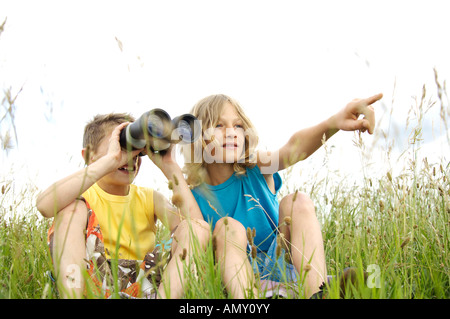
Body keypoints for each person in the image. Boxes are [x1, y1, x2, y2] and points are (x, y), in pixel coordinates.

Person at [182, 93, 383, 298]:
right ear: (197, 137)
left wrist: (333, 123)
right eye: (218, 125)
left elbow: (292, 149)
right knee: (227, 227)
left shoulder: (255, 167)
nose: (231, 132)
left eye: (238, 126)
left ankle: (318, 293)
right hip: (233, 278)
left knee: (298, 201)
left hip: (281, 264)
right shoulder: (193, 196)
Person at [36, 112, 209, 299]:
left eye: (138, 148)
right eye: (122, 144)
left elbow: (196, 232)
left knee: (198, 228)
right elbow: (45, 206)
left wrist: (170, 166)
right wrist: (109, 161)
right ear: (89, 155)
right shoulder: (79, 196)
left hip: (146, 284)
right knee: (71, 209)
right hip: (92, 281)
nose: (131, 156)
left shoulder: (150, 198)